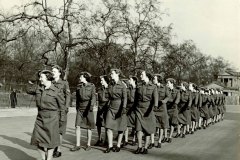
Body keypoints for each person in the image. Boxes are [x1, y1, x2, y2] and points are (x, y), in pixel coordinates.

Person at [30, 70, 65, 160]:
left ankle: (48, 159)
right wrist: (31, 80)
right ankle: (43, 158)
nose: (40, 79)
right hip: (40, 118)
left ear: (48, 78)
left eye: (41, 77)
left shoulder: (56, 90)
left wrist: (62, 121)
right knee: (37, 141)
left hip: (52, 118)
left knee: (50, 142)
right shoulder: (39, 88)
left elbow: (62, 107)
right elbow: (28, 89)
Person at [70, 72, 96, 152]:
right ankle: (77, 145)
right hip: (80, 108)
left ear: (85, 77)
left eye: (81, 77)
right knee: (77, 126)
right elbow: (77, 98)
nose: (80, 78)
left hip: (88, 108)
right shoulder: (78, 86)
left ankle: (88, 144)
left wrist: (91, 106)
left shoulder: (92, 86)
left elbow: (93, 96)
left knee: (88, 127)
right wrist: (77, 107)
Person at [134, 70, 158, 154]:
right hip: (139, 109)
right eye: (140, 74)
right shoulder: (139, 85)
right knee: (138, 129)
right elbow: (135, 98)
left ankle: (145, 147)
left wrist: (154, 107)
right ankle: (139, 146)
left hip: (148, 110)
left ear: (147, 76)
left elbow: (155, 99)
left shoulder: (153, 86)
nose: (140, 76)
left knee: (147, 129)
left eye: (142, 74)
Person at [104, 69, 127, 153]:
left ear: (117, 74)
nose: (110, 75)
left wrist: (123, 108)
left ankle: (118, 145)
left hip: (120, 106)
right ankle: (110, 145)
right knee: (108, 126)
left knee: (120, 128)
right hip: (111, 107)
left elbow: (125, 97)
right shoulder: (110, 84)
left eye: (112, 73)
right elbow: (108, 95)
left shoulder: (122, 85)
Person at [51, 65, 71, 158]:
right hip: (51, 109)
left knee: (59, 130)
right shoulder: (50, 82)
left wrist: (66, 107)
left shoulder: (64, 83)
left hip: (61, 109)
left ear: (59, 73)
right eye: (52, 71)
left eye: (54, 71)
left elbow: (68, 96)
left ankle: (58, 150)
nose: (52, 73)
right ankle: (53, 146)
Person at [149, 74, 169, 149]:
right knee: (152, 124)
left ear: (158, 79)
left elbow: (168, 96)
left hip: (162, 108)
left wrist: (164, 101)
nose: (153, 79)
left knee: (161, 125)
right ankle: (152, 142)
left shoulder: (165, 88)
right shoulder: (152, 87)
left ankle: (159, 141)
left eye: (154, 78)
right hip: (154, 108)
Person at [94, 75, 109, 146]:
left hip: (106, 108)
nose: (101, 81)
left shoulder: (110, 88)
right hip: (100, 107)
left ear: (106, 80)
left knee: (106, 124)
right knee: (98, 124)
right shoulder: (99, 89)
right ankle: (99, 139)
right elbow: (98, 99)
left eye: (102, 80)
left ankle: (106, 139)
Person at [122, 75, 137, 147]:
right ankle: (126, 140)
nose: (129, 81)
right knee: (126, 124)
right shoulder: (128, 89)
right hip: (128, 107)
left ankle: (134, 139)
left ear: (134, 81)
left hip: (134, 108)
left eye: (130, 79)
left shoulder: (137, 89)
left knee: (135, 124)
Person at [165, 78, 180, 143]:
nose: (167, 84)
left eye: (168, 83)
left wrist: (175, 103)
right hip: (166, 108)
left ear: (172, 84)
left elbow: (178, 99)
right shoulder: (166, 90)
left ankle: (170, 136)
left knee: (172, 124)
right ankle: (165, 136)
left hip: (173, 108)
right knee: (165, 123)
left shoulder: (177, 91)